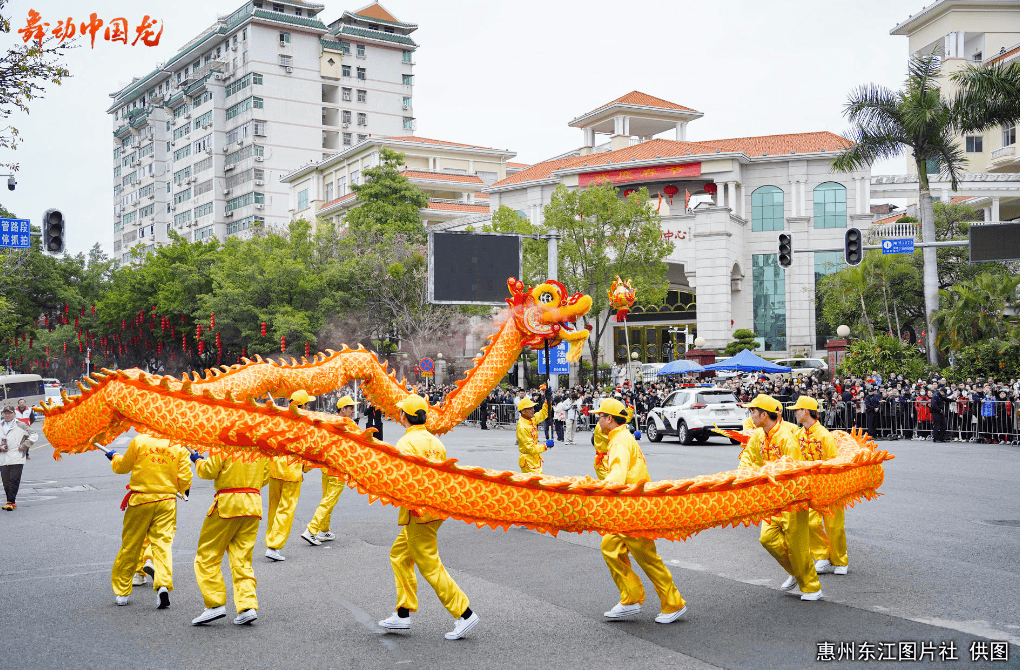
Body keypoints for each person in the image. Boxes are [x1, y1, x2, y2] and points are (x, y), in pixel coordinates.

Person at [378, 394, 479, 641]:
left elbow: (402, 477)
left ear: (404, 416)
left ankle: (464, 613)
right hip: (435, 509)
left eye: (401, 412)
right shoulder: (436, 442)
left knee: (430, 564)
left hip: (419, 511)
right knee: (399, 555)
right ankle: (403, 612)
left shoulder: (406, 442)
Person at [595, 398, 687, 624]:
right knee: (610, 547)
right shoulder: (620, 436)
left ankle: (674, 603)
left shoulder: (619, 441)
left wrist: (597, 494)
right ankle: (631, 597)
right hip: (625, 507)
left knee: (648, 559)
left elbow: (617, 475)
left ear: (609, 419)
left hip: (633, 509)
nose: (598, 421)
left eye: (600, 417)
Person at [740, 394, 823, 601]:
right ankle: (797, 571)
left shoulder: (786, 437)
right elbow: (748, 459)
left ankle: (812, 587)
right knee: (767, 538)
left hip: (792, 499)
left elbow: (794, 470)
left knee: (797, 545)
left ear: (764, 415)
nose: (751, 416)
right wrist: (742, 477)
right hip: (771, 499)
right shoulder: (758, 436)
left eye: (753, 411)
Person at [106, 433, 192, 608]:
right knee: (162, 545)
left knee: (131, 545)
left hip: (141, 500)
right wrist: (183, 490)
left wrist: (114, 457)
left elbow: (122, 467)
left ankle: (122, 592)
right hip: (166, 502)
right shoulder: (179, 445)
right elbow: (185, 478)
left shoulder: (140, 441)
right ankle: (163, 585)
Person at [191, 446, 271, 626]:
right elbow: (265, 477)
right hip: (252, 504)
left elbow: (209, 471)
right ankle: (247, 606)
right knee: (242, 558)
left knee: (208, 555)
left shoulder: (225, 443)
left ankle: (214, 603)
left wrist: (198, 460)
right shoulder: (261, 447)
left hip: (227, 504)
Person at [791, 397, 849, 577]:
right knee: (809, 522)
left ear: (806, 411)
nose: (795, 413)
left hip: (830, 486)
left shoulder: (824, 435)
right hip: (809, 487)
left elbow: (835, 462)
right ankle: (822, 555)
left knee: (834, 526)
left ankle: (840, 560)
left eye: (797, 410)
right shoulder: (798, 435)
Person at [265, 390, 315, 561]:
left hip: (274, 469)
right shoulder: (304, 425)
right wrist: (306, 468)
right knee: (286, 510)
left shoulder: (280, 419)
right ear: (303, 405)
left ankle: (270, 542)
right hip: (292, 472)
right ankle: (274, 545)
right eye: (307, 404)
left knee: (274, 508)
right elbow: (308, 451)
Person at [300, 395, 354, 546]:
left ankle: (324, 530)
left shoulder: (330, 421)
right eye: (350, 408)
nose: (352, 411)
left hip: (327, 469)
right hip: (338, 470)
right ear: (343, 409)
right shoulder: (346, 425)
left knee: (327, 500)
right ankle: (311, 530)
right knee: (329, 501)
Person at [1, 405, 37, 510]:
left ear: (14, 414)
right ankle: (10, 501)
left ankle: (11, 502)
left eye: (9, 413)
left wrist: (25, 444)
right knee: (6, 481)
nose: (7, 415)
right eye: (5, 413)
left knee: (14, 479)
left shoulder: (21, 425)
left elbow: (34, 434)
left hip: (16, 456)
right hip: (3, 457)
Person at [515, 396, 551, 474]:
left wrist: (547, 400)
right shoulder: (522, 427)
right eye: (530, 408)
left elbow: (544, 413)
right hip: (528, 460)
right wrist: (545, 446)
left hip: (534, 458)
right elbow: (530, 448)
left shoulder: (531, 419)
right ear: (523, 411)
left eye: (532, 407)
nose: (533, 410)